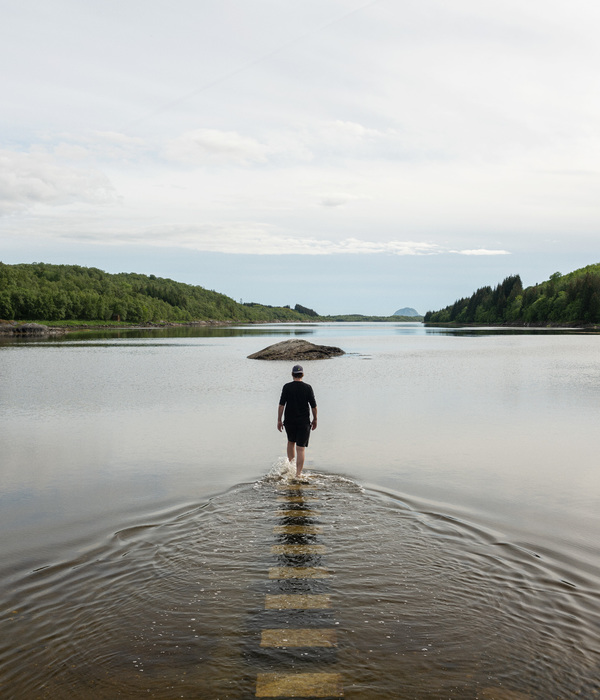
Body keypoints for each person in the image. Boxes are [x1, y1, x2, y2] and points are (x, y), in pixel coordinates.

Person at [277, 364, 317, 479]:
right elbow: (314, 406)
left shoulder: (287, 387)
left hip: (289, 421)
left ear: (292, 374)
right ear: (302, 374)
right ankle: (298, 474)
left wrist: (279, 420)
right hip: (303, 422)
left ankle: (291, 468)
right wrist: (315, 419)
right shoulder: (308, 387)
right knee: (301, 448)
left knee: (290, 442)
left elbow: (281, 405)